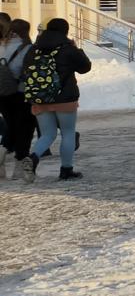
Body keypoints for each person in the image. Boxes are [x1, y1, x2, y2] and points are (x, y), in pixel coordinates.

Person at [21, 18, 91, 181]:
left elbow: (26, 70)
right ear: (65, 31)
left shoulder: (34, 49)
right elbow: (85, 67)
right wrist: (76, 48)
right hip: (65, 99)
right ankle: (66, 170)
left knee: (47, 134)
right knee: (68, 133)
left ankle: (33, 158)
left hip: (40, 98)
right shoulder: (67, 48)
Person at [0, 18, 29, 177]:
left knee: (10, 125)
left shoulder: (2, 45)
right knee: (24, 128)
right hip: (20, 92)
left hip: (2, 92)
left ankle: (2, 153)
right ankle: (19, 167)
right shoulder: (27, 47)